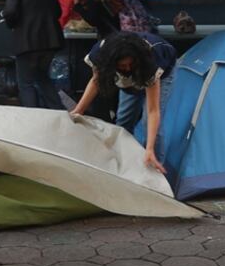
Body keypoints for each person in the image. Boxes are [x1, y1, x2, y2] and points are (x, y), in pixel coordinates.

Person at [70, 31, 176, 172]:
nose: (127, 68)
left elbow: (153, 111)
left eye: (129, 64)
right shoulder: (101, 54)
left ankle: (154, 169)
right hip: (128, 76)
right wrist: (79, 110)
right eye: (122, 65)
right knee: (124, 120)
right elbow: (96, 81)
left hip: (157, 73)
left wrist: (149, 149)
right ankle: (123, 165)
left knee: (148, 124)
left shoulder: (151, 59)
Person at [2, 0, 64, 108]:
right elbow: (57, 11)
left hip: (27, 42)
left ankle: (31, 118)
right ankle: (59, 112)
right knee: (43, 78)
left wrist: (12, 23)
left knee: (26, 83)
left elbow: (9, 11)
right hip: (51, 41)